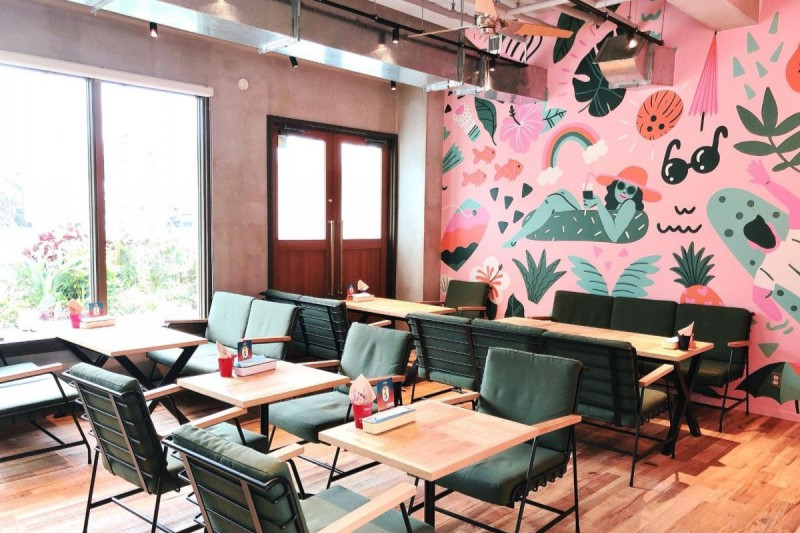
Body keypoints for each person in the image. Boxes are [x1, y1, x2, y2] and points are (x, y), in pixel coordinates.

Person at [503, 166, 662, 247]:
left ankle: (515, 238)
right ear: (615, 185)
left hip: (588, 223)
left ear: (636, 194)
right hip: (588, 219)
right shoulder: (620, 204)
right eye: (621, 186)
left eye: (631, 190)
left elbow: (614, 235)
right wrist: (596, 205)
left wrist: (598, 203)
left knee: (553, 201)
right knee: (562, 192)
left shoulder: (629, 205)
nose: (624, 192)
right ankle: (518, 236)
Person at [746, 160, 800, 320]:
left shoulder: (765, 271)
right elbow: (794, 204)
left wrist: (778, 318)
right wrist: (767, 183)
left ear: (752, 244)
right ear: (771, 227)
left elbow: (758, 298)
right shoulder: (795, 239)